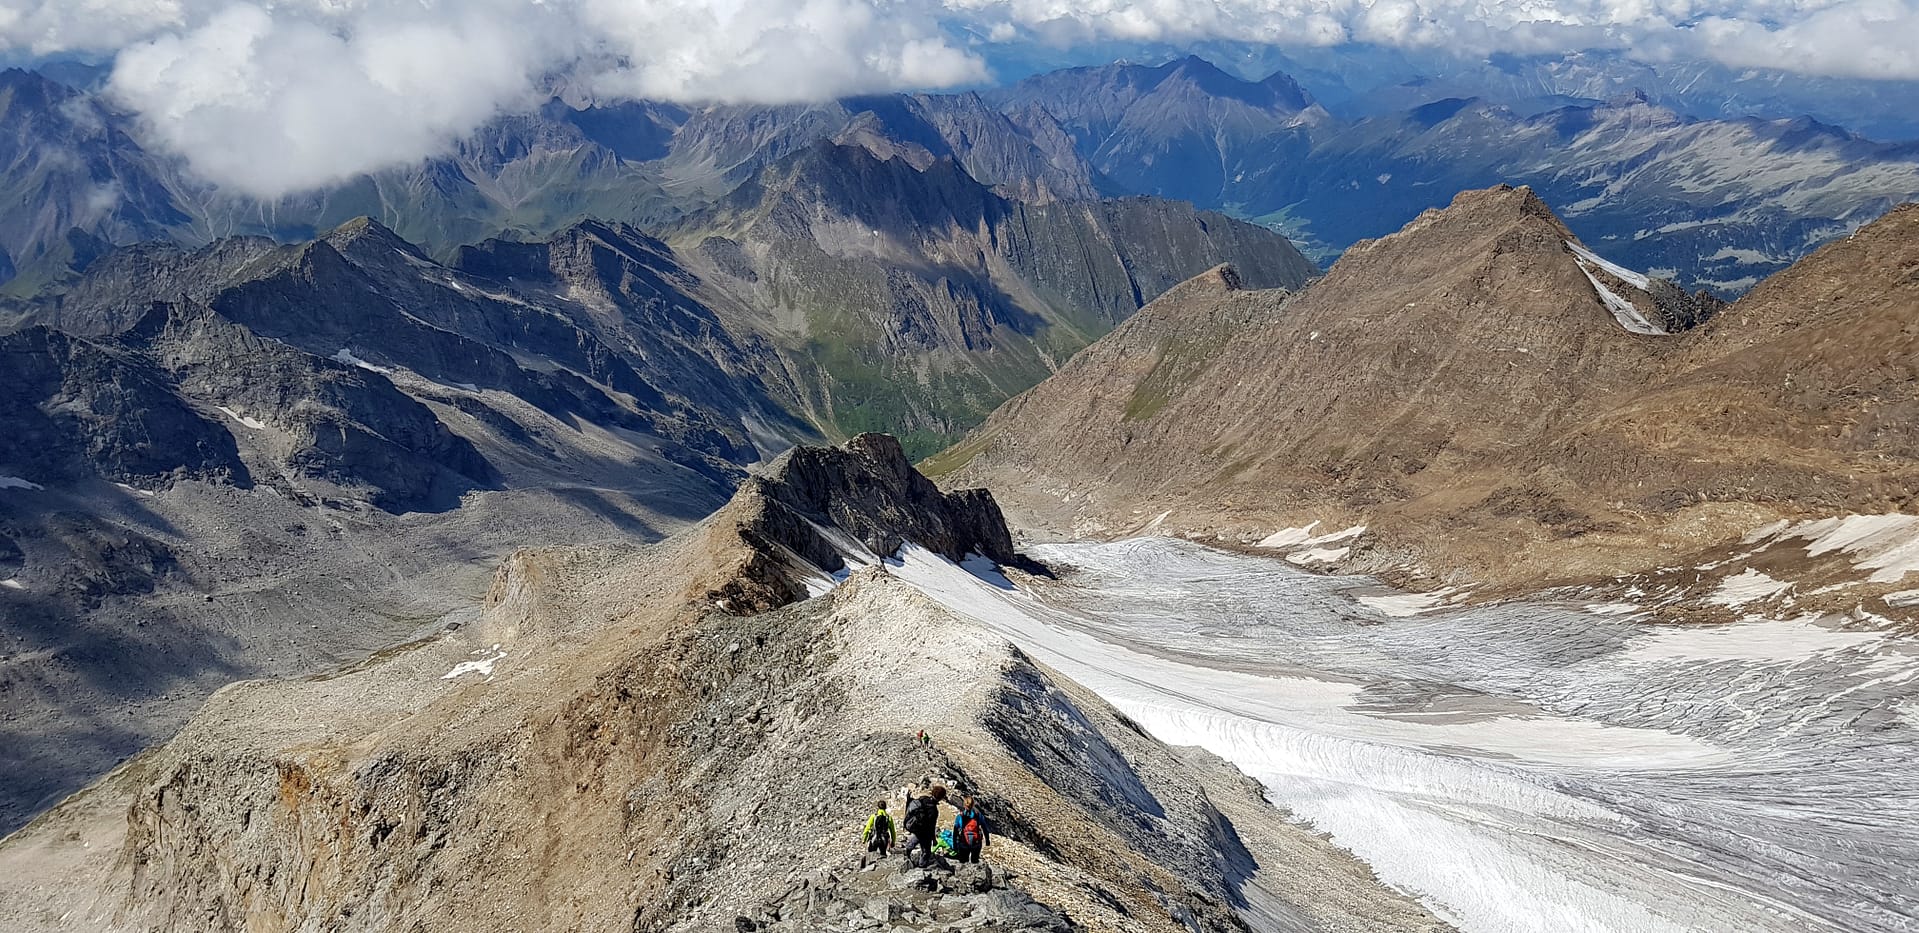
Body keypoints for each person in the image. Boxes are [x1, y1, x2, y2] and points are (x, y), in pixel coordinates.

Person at [901, 784, 947, 868]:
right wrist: (934, 839)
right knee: (926, 852)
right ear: (941, 797)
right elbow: (931, 826)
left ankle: (908, 849)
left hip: (916, 826)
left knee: (917, 837)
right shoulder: (934, 810)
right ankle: (921, 866)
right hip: (925, 831)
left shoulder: (923, 798)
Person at [951, 795, 991, 864]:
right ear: (973, 805)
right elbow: (985, 828)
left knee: (963, 862)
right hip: (976, 843)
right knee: (975, 861)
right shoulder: (978, 815)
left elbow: (955, 832)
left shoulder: (960, 816)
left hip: (963, 843)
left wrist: (955, 845)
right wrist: (987, 840)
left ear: (964, 805)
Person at [859, 800, 895, 869]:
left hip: (874, 838)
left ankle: (869, 867)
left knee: (871, 854)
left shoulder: (874, 816)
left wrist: (864, 839)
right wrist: (893, 841)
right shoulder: (889, 818)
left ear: (878, 807)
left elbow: (867, 828)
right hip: (884, 839)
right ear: (885, 807)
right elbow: (893, 831)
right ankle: (882, 868)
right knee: (883, 854)